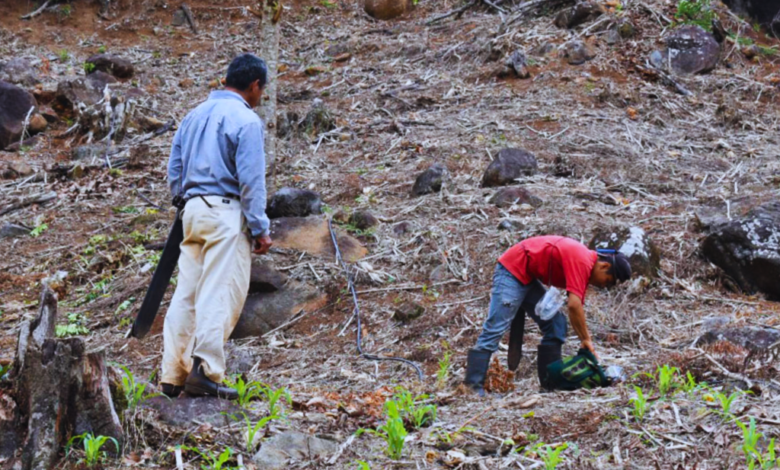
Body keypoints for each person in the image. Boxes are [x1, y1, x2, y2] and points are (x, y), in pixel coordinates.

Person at [160, 53, 273, 399]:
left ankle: (171, 376)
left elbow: (174, 170)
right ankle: (205, 371)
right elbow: (251, 181)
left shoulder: (193, 116)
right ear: (254, 85)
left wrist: (185, 202)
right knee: (220, 290)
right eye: (261, 90)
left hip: (191, 212)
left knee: (187, 293)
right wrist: (260, 227)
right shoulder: (246, 120)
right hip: (225, 212)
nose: (260, 97)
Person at [464, 235, 631, 395]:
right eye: (607, 281)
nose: (604, 285)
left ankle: (549, 384)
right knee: (495, 328)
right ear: (604, 266)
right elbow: (574, 305)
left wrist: (584, 338)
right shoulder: (583, 261)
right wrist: (586, 339)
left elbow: (574, 304)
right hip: (512, 270)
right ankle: (472, 387)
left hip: (528, 277)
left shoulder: (584, 264)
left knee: (556, 323)